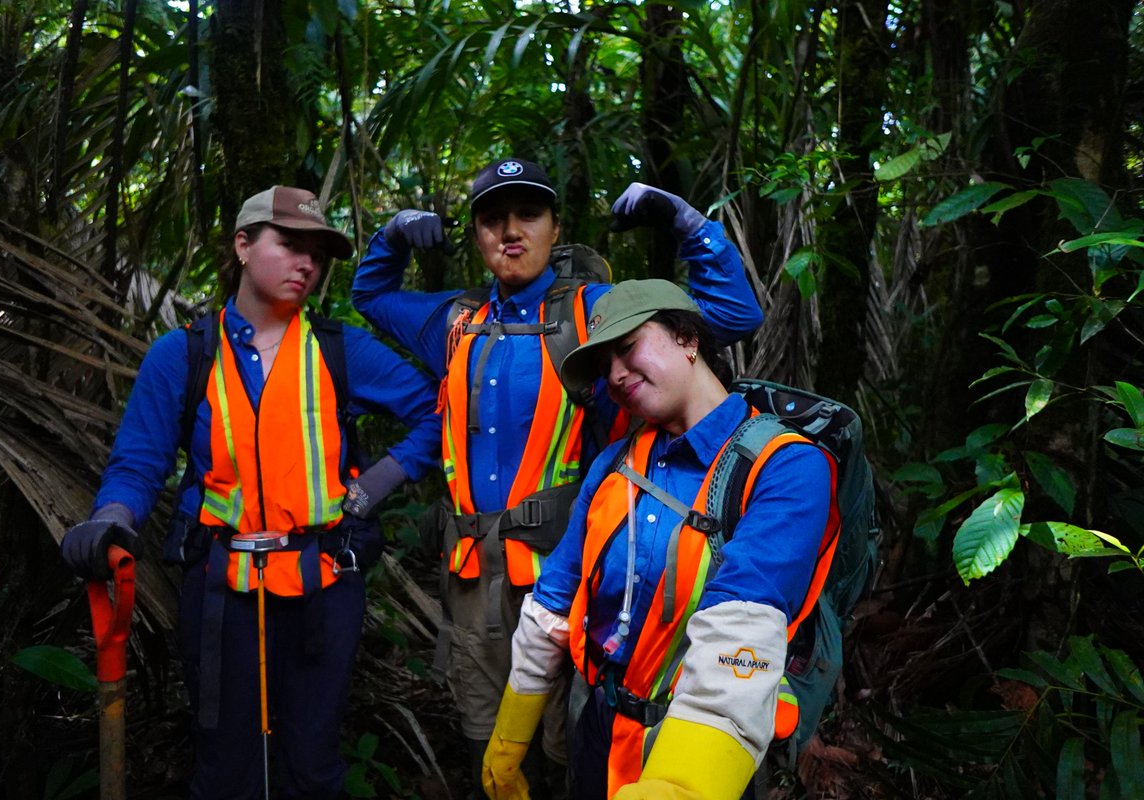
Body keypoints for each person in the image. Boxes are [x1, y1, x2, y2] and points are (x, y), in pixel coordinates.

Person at [352, 159, 763, 796]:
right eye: (492, 219)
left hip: (565, 567)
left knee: (568, 735)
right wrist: (396, 235)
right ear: (476, 236)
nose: (510, 232)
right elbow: (370, 296)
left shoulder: (592, 310)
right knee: (484, 730)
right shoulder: (453, 321)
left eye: (528, 215)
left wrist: (686, 222)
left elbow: (732, 316)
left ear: (555, 226)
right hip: (469, 569)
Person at [60, 186, 441, 800]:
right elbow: (138, 464)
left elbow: (438, 409)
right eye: (290, 245)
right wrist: (110, 518)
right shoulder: (183, 354)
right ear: (242, 245)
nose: (307, 265)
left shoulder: (340, 348)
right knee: (225, 767)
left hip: (323, 580)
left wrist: (380, 481)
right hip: (219, 587)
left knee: (312, 764)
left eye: (317, 254)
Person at [480, 280, 839, 800]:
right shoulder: (616, 462)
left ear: (687, 337)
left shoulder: (786, 468)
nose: (617, 376)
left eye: (627, 348)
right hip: (596, 728)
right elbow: (556, 598)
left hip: (697, 736)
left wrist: (679, 785)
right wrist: (509, 738)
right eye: (606, 365)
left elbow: (741, 631)